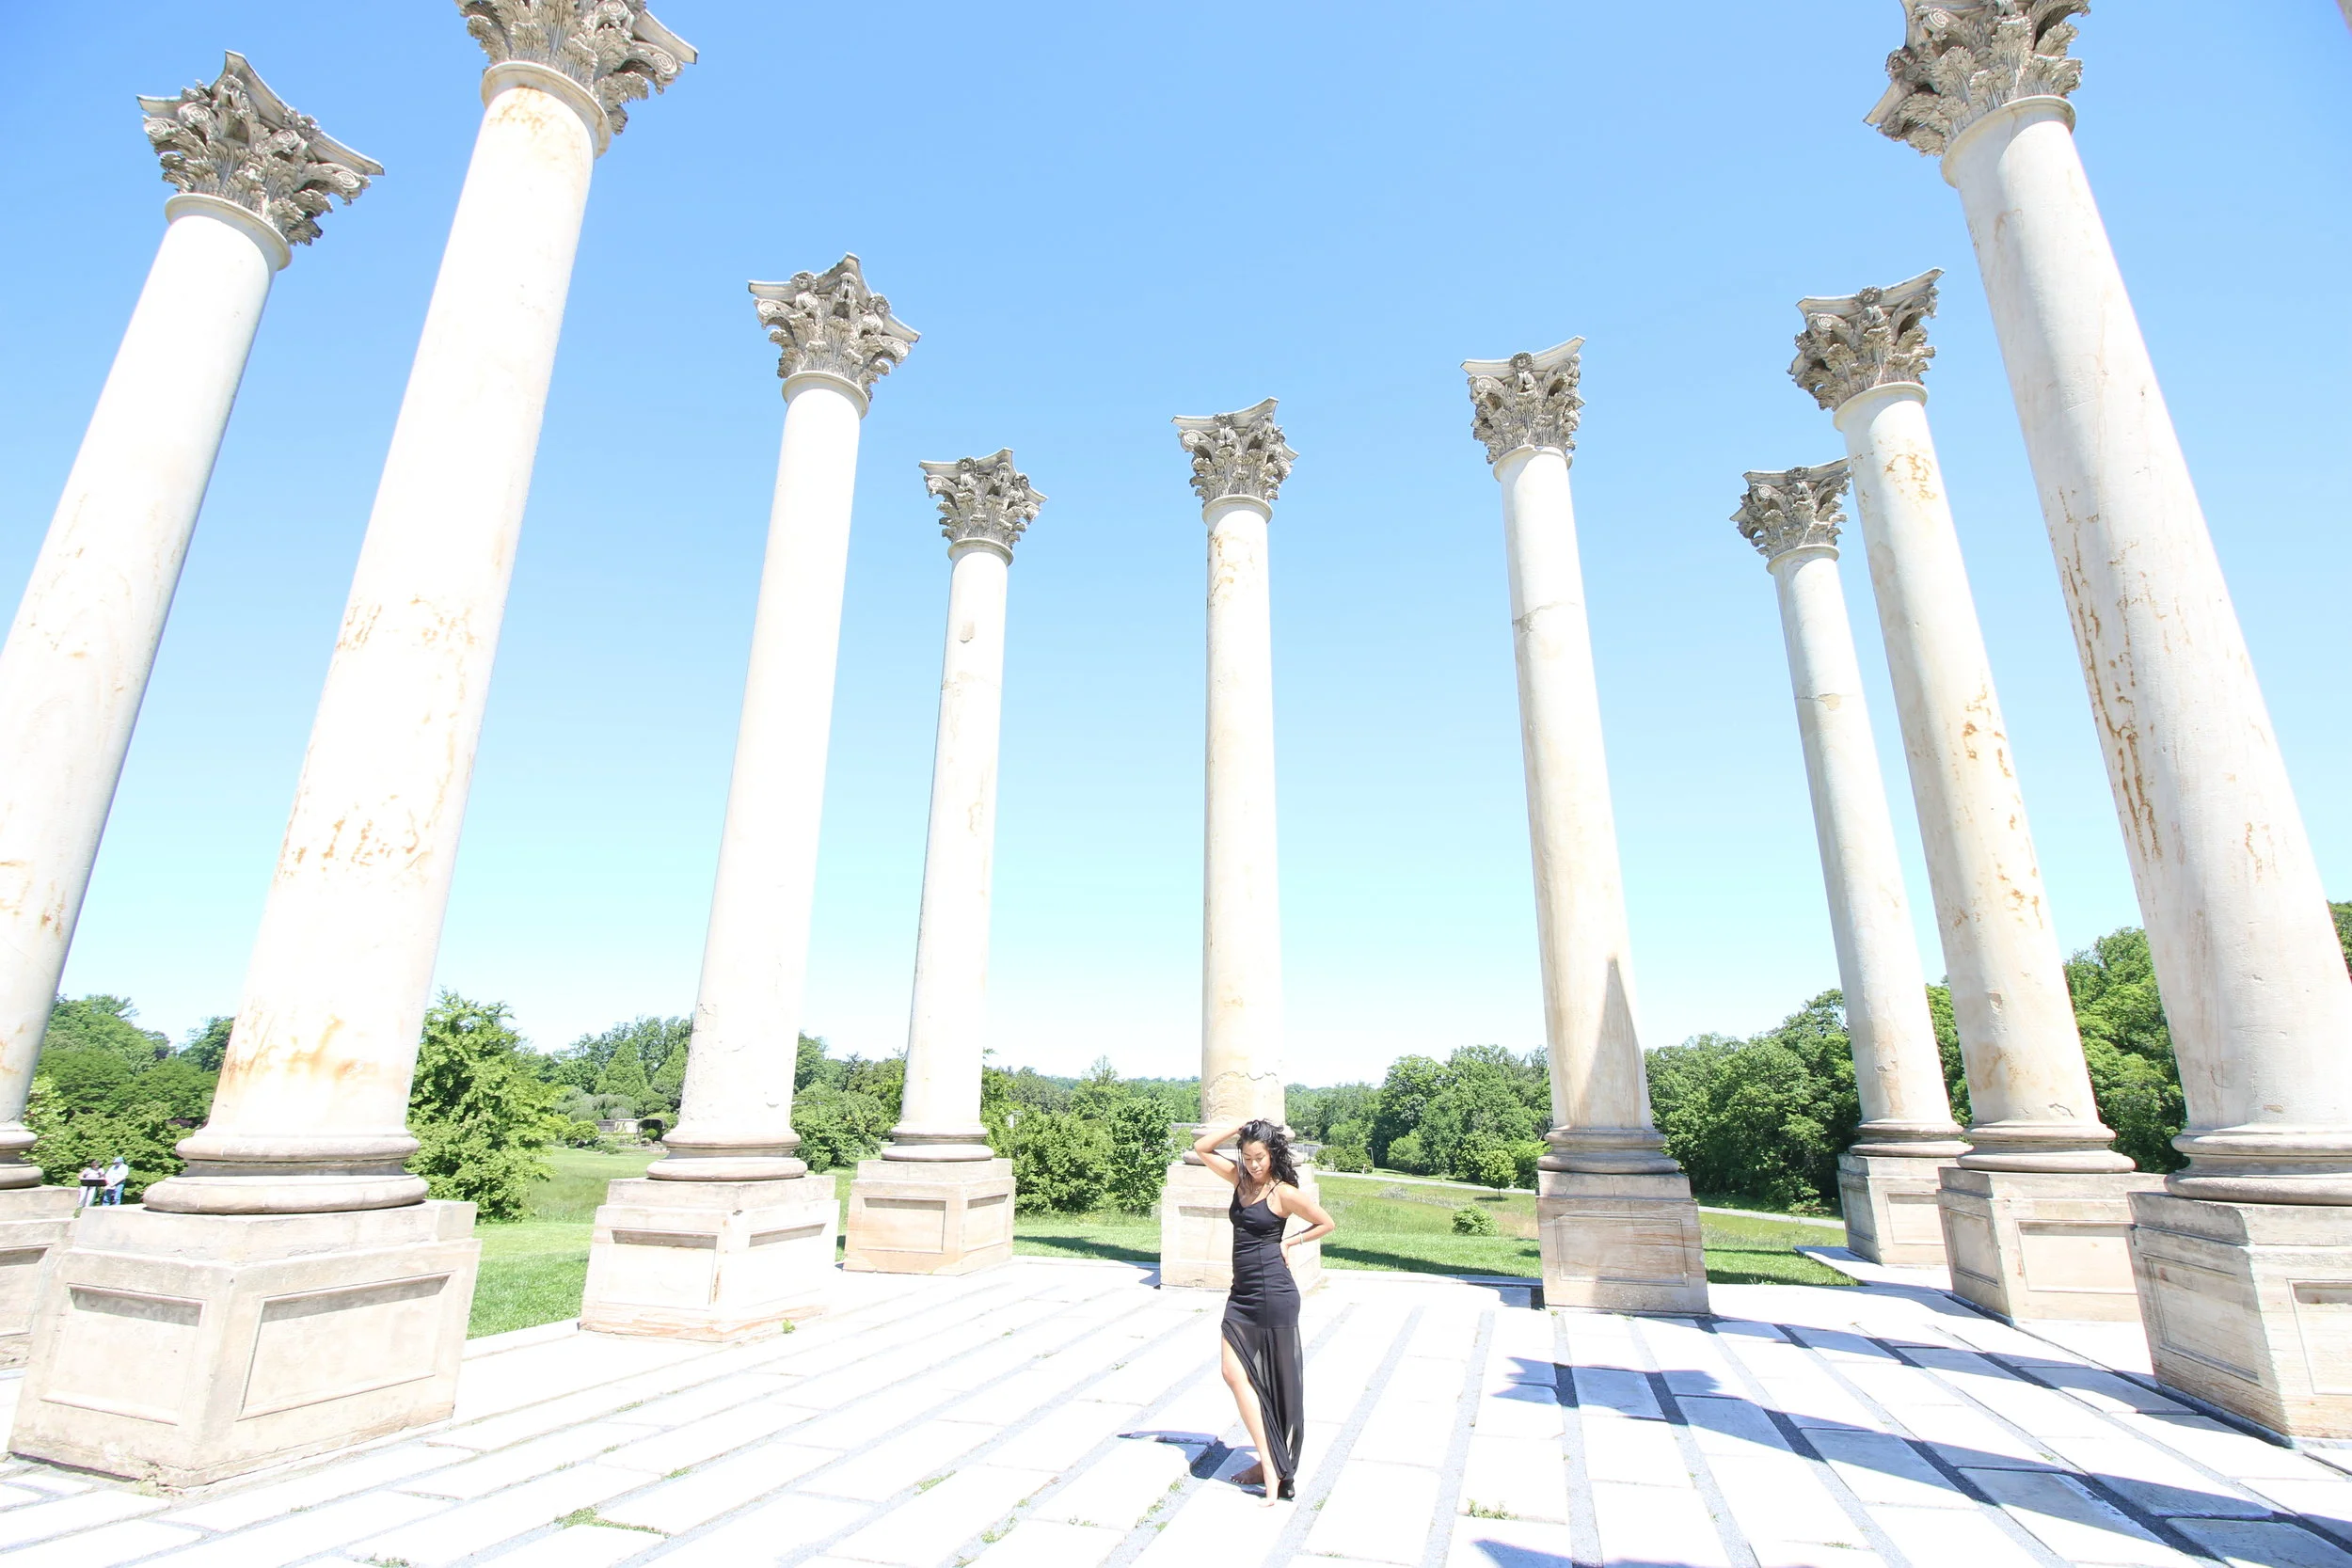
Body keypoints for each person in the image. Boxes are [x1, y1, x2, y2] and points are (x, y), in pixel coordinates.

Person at [1191, 1117, 1335, 1505]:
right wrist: (1238, 1127)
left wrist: (1292, 1243)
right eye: (1247, 1157)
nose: (1254, 1165)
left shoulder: (1283, 1192)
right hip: (1242, 1294)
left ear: (1272, 1155)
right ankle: (1270, 1460)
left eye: (1260, 1157)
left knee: (1276, 1382)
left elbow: (1326, 1223)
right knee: (1233, 1372)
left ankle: (1269, 1464)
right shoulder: (1239, 1181)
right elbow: (1203, 1149)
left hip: (1275, 1293)